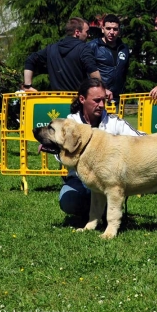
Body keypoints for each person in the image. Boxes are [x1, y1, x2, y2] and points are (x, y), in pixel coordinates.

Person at [59, 78, 144, 218]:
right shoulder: (71, 123)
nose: (101, 105)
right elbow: (60, 155)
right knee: (69, 201)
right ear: (82, 99)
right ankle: (93, 213)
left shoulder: (114, 123)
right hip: (79, 180)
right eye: (96, 100)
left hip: (109, 181)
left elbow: (140, 140)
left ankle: (104, 211)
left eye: (104, 100)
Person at [23, 17, 112, 100]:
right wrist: (103, 89)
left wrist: (28, 86)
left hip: (55, 101)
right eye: (87, 32)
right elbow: (93, 72)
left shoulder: (51, 48)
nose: (88, 35)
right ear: (77, 32)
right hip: (76, 101)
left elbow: (30, 60)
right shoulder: (83, 49)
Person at [87, 14, 130, 106]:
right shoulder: (93, 46)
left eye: (115, 29)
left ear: (119, 31)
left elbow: (124, 72)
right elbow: (87, 72)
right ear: (102, 29)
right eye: (108, 28)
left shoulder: (124, 48)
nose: (111, 32)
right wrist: (101, 89)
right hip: (98, 98)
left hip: (117, 99)